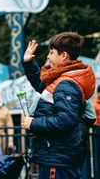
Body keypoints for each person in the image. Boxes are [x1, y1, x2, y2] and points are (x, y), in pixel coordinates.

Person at [21, 32, 95, 178]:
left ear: (64, 56)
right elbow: (42, 85)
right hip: (57, 155)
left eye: (51, 52)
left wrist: (33, 123)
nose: (48, 56)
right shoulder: (64, 79)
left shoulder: (66, 84)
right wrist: (28, 63)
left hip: (57, 158)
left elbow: (65, 120)